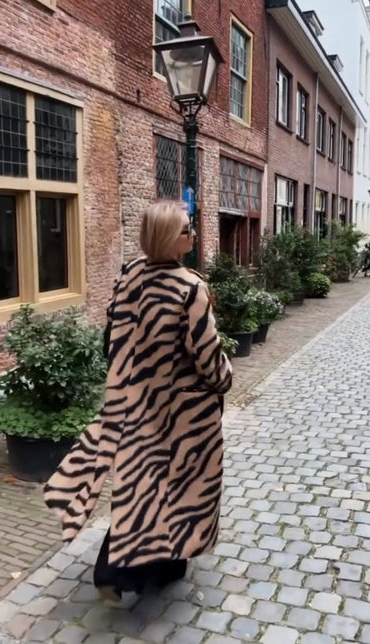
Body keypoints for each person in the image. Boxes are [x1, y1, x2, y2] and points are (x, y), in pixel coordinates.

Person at [44, 200, 232, 599]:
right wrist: (224, 380)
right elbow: (208, 357)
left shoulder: (130, 273)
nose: (193, 234)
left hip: (135, 401)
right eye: (186, 229)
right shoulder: (190, 288)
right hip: (184, 412)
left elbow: (113, 333)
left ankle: (119, 574)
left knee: (141, 487)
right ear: (169, 238)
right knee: (180, 488)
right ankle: (146, 571)